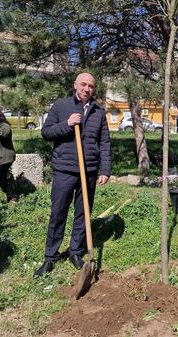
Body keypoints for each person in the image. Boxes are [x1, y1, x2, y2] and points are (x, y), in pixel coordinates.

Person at [34, 72, 111, 277]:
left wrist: (105, 169)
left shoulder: (98, 112)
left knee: (83, 214)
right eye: (83, 84)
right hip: (64, 170)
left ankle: (76, 252)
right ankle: (50, 257)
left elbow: (104, 143)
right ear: (75, 85)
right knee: (58, 213)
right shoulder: (61, 106)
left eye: (91, 86)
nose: (87, 89)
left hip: (89, 171)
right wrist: (67, 124)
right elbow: (46, 132)